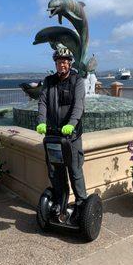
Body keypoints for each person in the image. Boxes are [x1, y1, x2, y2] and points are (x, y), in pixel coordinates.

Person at [36, 47, 87, 221]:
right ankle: (60, 201)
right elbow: (42, 102)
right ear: (55, 64)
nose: (62, 65)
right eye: (59, 62)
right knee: (55, 171)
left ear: (70, 63)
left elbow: (78, 106)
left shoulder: (77, 81)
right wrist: (41, 121)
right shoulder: (49, 81)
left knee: (74, 170)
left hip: (71, 137)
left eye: (64, 61)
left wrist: (71, 124)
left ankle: (81, 204)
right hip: (53, 136)